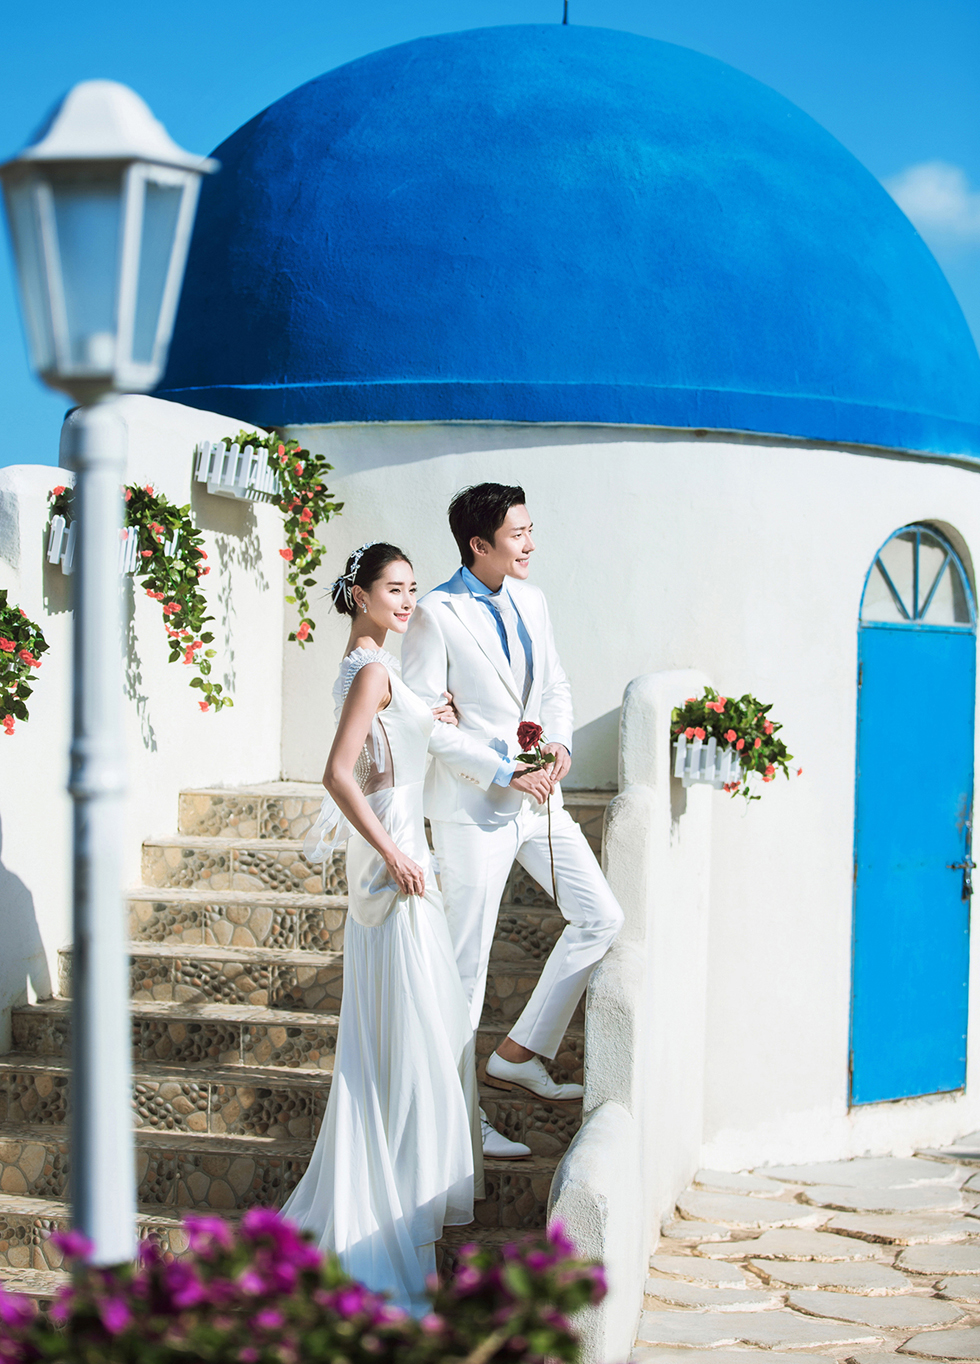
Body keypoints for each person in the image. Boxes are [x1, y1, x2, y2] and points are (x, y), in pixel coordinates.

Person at [282, 541, 483, 1315]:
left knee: (408, 1038)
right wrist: (395, 853)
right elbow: (340, 773)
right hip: (395, 864)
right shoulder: (372, 671)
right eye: (393, 589)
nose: (407, 601)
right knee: (417, 1041)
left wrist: (429, 717)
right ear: (361, 594)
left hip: (395, 858)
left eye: (410, 589)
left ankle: (397, 1208)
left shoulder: (365, 667)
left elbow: (384, 753)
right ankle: (394, 1226)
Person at [401, 484, 625, 1161]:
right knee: (465, 973)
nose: (530, 543)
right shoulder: (435, 613)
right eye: (517, 533)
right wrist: (503, 771)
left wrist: (557, 744)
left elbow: (553, 686)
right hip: (475, 810)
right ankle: (458, 1121)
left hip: (540, 800)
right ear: (479, 544)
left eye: (530, 529)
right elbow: (427, 724)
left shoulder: (534, 600)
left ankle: (519, 1052)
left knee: (600, 918)